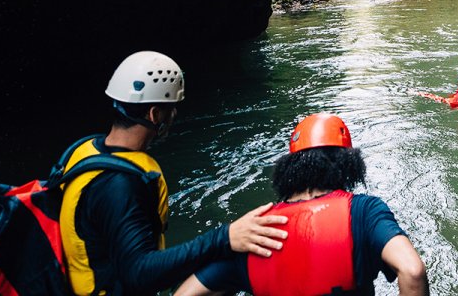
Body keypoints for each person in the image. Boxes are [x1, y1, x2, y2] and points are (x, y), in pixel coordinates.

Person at [59, 50, 290, 296]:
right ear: (154, 114)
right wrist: (225, 237)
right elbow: (138, 274)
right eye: (171, 109)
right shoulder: (119, 184)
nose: (174, 115)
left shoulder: (86, 151)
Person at [173, 112, 429, 296]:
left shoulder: (254, 231)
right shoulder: (364, 212)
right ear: (348, 165)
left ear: (291, 167)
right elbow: (412, 271)